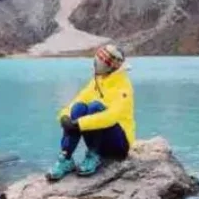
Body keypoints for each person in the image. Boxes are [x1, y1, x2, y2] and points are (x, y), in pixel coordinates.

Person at [46, 44, 135, 181]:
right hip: (103, 138)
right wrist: (64, 116)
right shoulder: (98, 80)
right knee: (78, 108)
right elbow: (79, 100)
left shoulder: (123, 86)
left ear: (108, 66)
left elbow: (111, 117)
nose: (95, 66)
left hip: (119, 145)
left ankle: (94, 154)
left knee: (95, 107)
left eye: (99, 63)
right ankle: (66, 157)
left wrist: (79, 124)